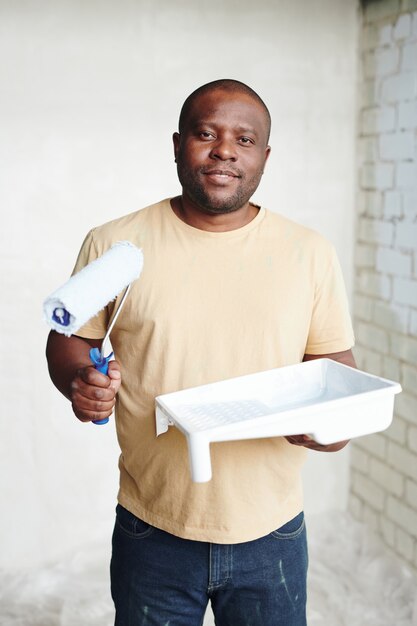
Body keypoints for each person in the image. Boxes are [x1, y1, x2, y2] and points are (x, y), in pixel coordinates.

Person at [46, 78, 355, 626]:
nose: (224, 151)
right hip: (153, 525)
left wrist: (331, 421)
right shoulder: (117, 243)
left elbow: (333, 367)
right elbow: (72, 338)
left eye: (244, 139)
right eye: (206, 134)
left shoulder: (309, 253)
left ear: (264, 155)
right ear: (176, 144)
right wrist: (79, 382)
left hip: (272, 531)